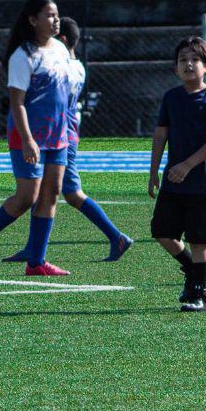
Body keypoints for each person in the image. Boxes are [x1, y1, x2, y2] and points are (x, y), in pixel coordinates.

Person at [0, 0, 73, 276]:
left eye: (56, 14)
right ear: (32, 20)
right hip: (29, 136)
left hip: (58, 134)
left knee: (52, 193)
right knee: (27, 196)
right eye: (49, 15)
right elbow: (17, 103)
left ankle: (36, 262)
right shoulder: (22, 55)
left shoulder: (61, 48)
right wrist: (27, 139)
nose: (55, 20)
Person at [149, 37, 206, 312]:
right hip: (172, 183)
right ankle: (194, 271)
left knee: (198, 240)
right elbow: (161, 134)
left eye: (195, 59)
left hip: (202, 183)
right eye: (183, 60)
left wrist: (186, 165)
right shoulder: (171, 98)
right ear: (175, 68)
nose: (188, 64)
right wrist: (153, 171)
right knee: (162, 232)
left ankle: (201, 295)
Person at [55, 17, 133, 261]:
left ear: (62, 40)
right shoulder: (77, 66)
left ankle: (116, 236)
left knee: (72, 193)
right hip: (63, 133)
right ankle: (33, 248)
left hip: (61, 136)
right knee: (45, 190)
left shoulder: (65, 67)